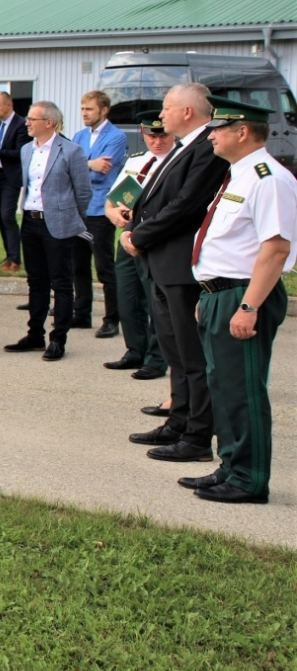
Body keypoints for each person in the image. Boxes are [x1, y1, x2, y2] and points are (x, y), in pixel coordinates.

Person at [183, 97, 296, 503]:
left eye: (218, 129)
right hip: (221, 294)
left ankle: (249, 479)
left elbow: (276, 248)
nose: (210, 135)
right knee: (223, 386)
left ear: (242, 132)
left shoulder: (268, 177)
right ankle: (230, 465)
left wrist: (248, 306)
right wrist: (208, 294)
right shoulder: (238, 175)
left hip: (244, 295)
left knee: (243, 390)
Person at [120, 82, 229, 463]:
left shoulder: (208, 147)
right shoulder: (185, 147)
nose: (161, 115)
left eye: (167, 108)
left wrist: (140, 235)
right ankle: (178, 422)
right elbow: (157, 197)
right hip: (161, 260)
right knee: (176, 352)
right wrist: (133, 223)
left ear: (187, 111)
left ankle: (198, 437)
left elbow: (186, 205)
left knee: (192, 357)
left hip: (180, 264)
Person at [3, 101, 90, 362]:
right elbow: (28, 186)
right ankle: (34, 335)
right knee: (36, 282)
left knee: (61, 283)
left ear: (49, 123)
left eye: (32, 119)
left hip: (58, 224)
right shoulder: (27, 150)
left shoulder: (72, 151)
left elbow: (83, 192)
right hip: (30, 222)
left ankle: (58, 339)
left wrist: (73, 220)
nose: (27, 123)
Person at [102, 113, 175, 379]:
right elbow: (114, 201)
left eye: (162, 135)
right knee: (128, 296)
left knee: (157, 301)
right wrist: (114, 214)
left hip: (156, 239)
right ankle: (135, 350)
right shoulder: (138, 162)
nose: (157, 142)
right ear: (143, 134)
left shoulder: (178, 162)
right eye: (151, 136)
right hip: (128, 236)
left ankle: (157, 358)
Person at [70, 90, 128, 336]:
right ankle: (82, 313)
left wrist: (83, 165)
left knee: (104, 266)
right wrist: (89, 164)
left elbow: (104, 170)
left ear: (104, 110)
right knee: (78, 265)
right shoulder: (79, 135)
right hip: (78, 209)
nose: (84, 113)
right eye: (82, 108)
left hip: (100, 210)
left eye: (89, 109)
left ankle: (112, 318)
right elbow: (68, 166)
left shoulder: (117, 137)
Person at [0, 91, 30, 273]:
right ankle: (8, 257)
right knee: (0, 218)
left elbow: (21, 153)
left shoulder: (21, 125)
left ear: (9, 105)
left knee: (8, 216)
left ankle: (16, 260)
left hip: (10, 177)